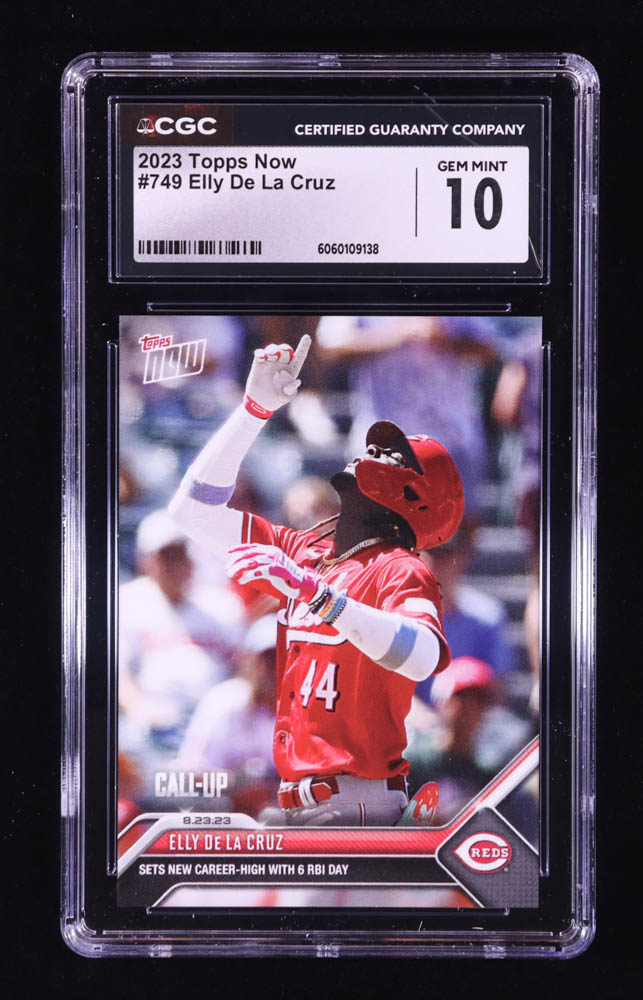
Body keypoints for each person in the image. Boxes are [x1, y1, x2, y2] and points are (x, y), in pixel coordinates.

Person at [168, 335, 464, 826]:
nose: (371, 450)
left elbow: (423, 656)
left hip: (357, 803)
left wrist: (318, 595)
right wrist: (253, 411)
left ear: (416, 495)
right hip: (298, 801)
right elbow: (192, 511)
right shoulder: (306, 551)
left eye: (390, 455)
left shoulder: (400, 567)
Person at [119, 510, 244, 772]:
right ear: (145, 561)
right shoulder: (128, 602)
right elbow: (119, 677)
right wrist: (143, 708)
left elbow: (245, 670)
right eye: (167, 556)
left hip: (215, 726)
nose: (176, 564)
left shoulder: (222, 605)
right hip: (156, 727)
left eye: (181, 554)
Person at [176, 614, 280, 818]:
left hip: (289, 818)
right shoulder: (225, 700)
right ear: (249, 659)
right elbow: (188, 774)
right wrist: (238, 782)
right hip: (232, 817)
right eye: (268, 658)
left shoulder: (306, 706)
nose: (274, 667)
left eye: (282, 657)